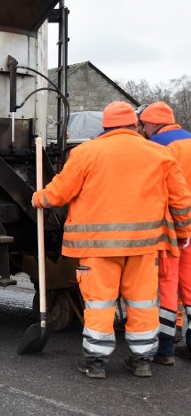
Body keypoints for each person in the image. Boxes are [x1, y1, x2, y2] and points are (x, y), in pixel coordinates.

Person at [32, 101, 191, 379]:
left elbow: (59, 194)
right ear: (135, 125)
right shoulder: (159, 154)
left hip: (97, 247)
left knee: (100, 302)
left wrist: (38, 197)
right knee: (142, 302)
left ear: (104, 126)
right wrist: (183, 234)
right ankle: (141, 360)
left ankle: (96, 362)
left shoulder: (85, 152)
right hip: (144, 247)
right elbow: (181, 200)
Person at [138, 101, 191, 365]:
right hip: (190, 226)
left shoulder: (157, 147)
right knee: (190, 287)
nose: (144, 129)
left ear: (155, 123)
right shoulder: (190, 141)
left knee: (166, 285)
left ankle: (166, 347)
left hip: (170, 227)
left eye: (145, 124)